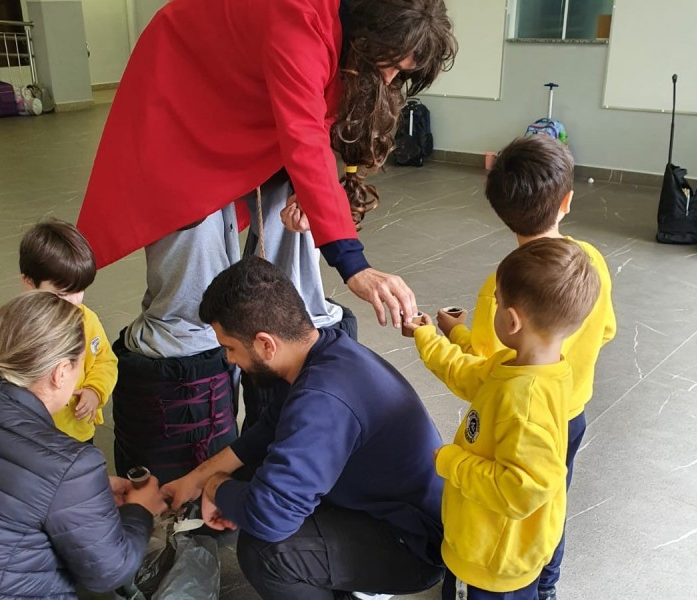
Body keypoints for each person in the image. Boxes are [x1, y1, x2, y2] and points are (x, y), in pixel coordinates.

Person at [76, 0, 456, 481]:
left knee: (292, 256)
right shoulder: (298, 22)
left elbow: (310, 120)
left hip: (249, 88)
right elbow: (301, 133)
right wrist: (354, 264)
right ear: (367, 30)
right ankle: (188, 456)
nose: (386, 81)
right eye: (387, 65)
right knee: (191, 287)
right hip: (181, 91)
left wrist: (302, 187)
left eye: (399, 73)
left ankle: (269, 419)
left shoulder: (342, 30)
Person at [161, 256, 446, 600]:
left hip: (413, 544)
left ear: (266, 344)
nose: (230, 360)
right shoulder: (320, 350)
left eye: (230, 348)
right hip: (386, 505)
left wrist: (217, 487)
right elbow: (268, 429)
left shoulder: (322, 400)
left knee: (266, 550)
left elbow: (271, 516)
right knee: (257, 476)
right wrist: (197, 479)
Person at [436, 135, 616, 600]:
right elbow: (607, 330)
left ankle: (501, 578)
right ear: (567, 202)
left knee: (510, 508)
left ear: (499, 208)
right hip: (570, 414)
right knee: (551, 502)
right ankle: (546, 585)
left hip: (511, 420)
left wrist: (454, 334)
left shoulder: (501, 287)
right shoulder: (590, 264)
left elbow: (483, 371)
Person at [0, 291, 166, 598]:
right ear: (61, 372)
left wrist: (83, 492)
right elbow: (109, 571)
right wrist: (140, 510)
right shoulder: (71, 463)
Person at [405, 238, 601, 600]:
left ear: (511, 320)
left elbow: (521, 488)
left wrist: (452, 461)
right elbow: (466, 373)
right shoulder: (528, 366)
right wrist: (426, 337)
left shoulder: (524, 401)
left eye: (496, 300)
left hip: (491, 564)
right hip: (488, 542)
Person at [19, 218, 118, 444]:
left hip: (78, 431)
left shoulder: (86, 320)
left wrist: (95, 391)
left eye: (80, 290)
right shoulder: (18, 329)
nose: (74, 302)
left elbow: (105, 361)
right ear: (29, 282)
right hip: (33, 437)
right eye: (62, 294)